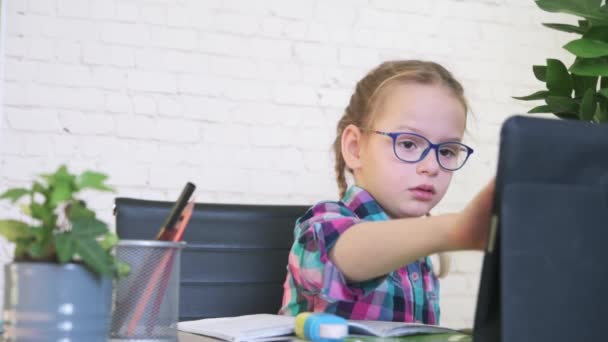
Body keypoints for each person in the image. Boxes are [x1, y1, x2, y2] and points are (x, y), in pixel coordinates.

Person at [279, 60, 494, 324]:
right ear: (356, 148)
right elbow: (349, 252)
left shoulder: (421, 253)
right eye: (407, 144)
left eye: (447, 151)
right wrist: (454, 229)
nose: (431, 166)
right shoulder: (322, 225)